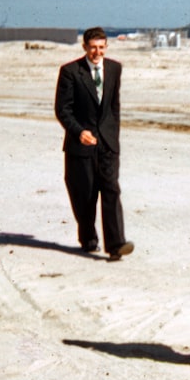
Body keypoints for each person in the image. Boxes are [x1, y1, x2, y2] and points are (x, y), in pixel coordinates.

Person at [55, 26, 134, 261]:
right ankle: (88, 237)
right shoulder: (70, 71)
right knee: (85, 194)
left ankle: (116, 244)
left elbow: (114, 107)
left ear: (106, 47)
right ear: (84, 47)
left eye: (101, 47)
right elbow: (62, 109)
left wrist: (113, 136)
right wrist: (79, 132)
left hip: (107, 144)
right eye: (93, 48)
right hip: (81, 144)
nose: (97, 52)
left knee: (111, 189)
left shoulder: (114, 68)